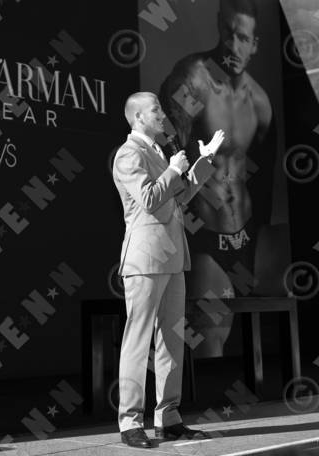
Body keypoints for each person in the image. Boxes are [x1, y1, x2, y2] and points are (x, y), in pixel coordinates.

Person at [159, 0, 276, 358]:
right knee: (209, 341)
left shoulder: (260, 104)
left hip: (245, 238)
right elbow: (164, 151)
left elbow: (264, 180)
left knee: (251, 343)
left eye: (243, 38)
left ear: (255, 44)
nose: (233, 45)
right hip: (203, 235)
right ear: (218, 25)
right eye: (228, 32)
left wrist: (260, 240)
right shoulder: (194, 79)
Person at [112, 91, 224, 448]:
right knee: (138, 340)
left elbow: (179, 197)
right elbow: (148, 199)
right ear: (138, 117)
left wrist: (204, 161)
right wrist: (174, 169)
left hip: (173, 257)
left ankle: (168, 418)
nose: (162, 115)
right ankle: (130, 422)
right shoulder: (129, 153)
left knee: (171, 340)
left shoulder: (159, 153)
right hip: (145, 259)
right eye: (156, 110)